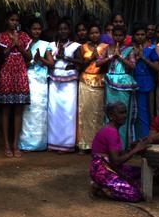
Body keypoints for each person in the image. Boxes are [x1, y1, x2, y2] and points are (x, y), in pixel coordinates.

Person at [88, 102, 149, 202]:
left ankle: (104, 185)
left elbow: (116, 155)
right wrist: (135, 149)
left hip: (105, 167)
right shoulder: (111, 132)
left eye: (125, 112)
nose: (125, 116)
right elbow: (116, 161)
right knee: (135, 194)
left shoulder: (112, 129)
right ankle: (101, 189)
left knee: (143, 173)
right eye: (121, 113)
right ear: (111, 116)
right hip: (102, 170)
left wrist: (130, 148)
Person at [0, 11, 32, 157]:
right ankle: (6, 144)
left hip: (20, 73)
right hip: (6, 73)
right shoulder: (1, 36)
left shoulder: (24, 36)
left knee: (18, 110)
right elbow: (1, 55)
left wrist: (20, 45)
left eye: (16, 20)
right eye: (12, 20)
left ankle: (16, 144)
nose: (14, 22)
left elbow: (28, 57)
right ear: (6, 21)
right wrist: (12, 44)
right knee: (6, 110)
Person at [45, 19, 81, 152]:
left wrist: (65, 58)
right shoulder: (51, 45)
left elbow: (80, 62)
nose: (63, 31)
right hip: (54, 80)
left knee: (68, 112)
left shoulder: (75, 45)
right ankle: (53, 143)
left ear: (69, 30)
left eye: (65, 29)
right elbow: (48, 61)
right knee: (53, 111)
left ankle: (67, 144)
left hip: (69, 82)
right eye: (60, 29)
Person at [103, 26, 138, 146]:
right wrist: (111, 56)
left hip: (124, 82)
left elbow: (132, 66)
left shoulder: (130, 49)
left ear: (125, 36)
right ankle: (111, 143)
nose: (118, 38)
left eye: (120, 35)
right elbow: (98, 62)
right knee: (111, 112)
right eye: (116, 35)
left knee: (123, 113)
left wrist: (120, 57)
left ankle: (124, 144)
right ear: (112, 35)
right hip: (110, 82)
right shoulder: (108, 48)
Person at [76, 24, 108, 153]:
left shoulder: (105, 47)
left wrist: (99, 59)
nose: (94, 35)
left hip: (100, 80)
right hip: (85, 80)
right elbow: (80, 65)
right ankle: (83, 144)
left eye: (97, 32)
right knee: (84, 111)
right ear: (88, 35)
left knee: (98, 113)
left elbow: (106, 65)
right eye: (92, 33)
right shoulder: (82, 47)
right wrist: (91, 59)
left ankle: (98, 145)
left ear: (100, 33)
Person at [19, 19, 51, 151]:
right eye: (34, 29)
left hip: (41, 81)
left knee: (40, 111)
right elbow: (21, 64)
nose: (36, 31)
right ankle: (26, 142)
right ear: (29, 30)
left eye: (39, 29)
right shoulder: (25, 44)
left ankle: (40, 143)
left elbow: (51, 63)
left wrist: (40, 59)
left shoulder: (45, 44)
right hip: (28, 78)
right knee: (28, 110)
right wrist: (32, 62)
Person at [131, 23, 159, 140]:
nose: (140, 37)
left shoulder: (150, 50)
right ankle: (135, 138)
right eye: (137, 34)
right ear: (134, 36)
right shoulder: (129, 50)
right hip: (132, 82)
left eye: (142, 34)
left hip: (147, 82)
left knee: (146, 111)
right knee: (135, 112)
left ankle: (145, 138)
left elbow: (157, 68)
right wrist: (137, 58)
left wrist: (143, 58)